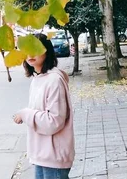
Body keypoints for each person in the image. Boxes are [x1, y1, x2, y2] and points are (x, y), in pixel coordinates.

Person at [13, 33, 75, 179]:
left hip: (54, 157)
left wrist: (25, 114)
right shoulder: (38, 79)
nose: (30, 54)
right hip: (42, 154)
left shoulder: (54, 80)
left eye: (36, 48)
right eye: (26, 49)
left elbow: (53, 121)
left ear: (47, 51)